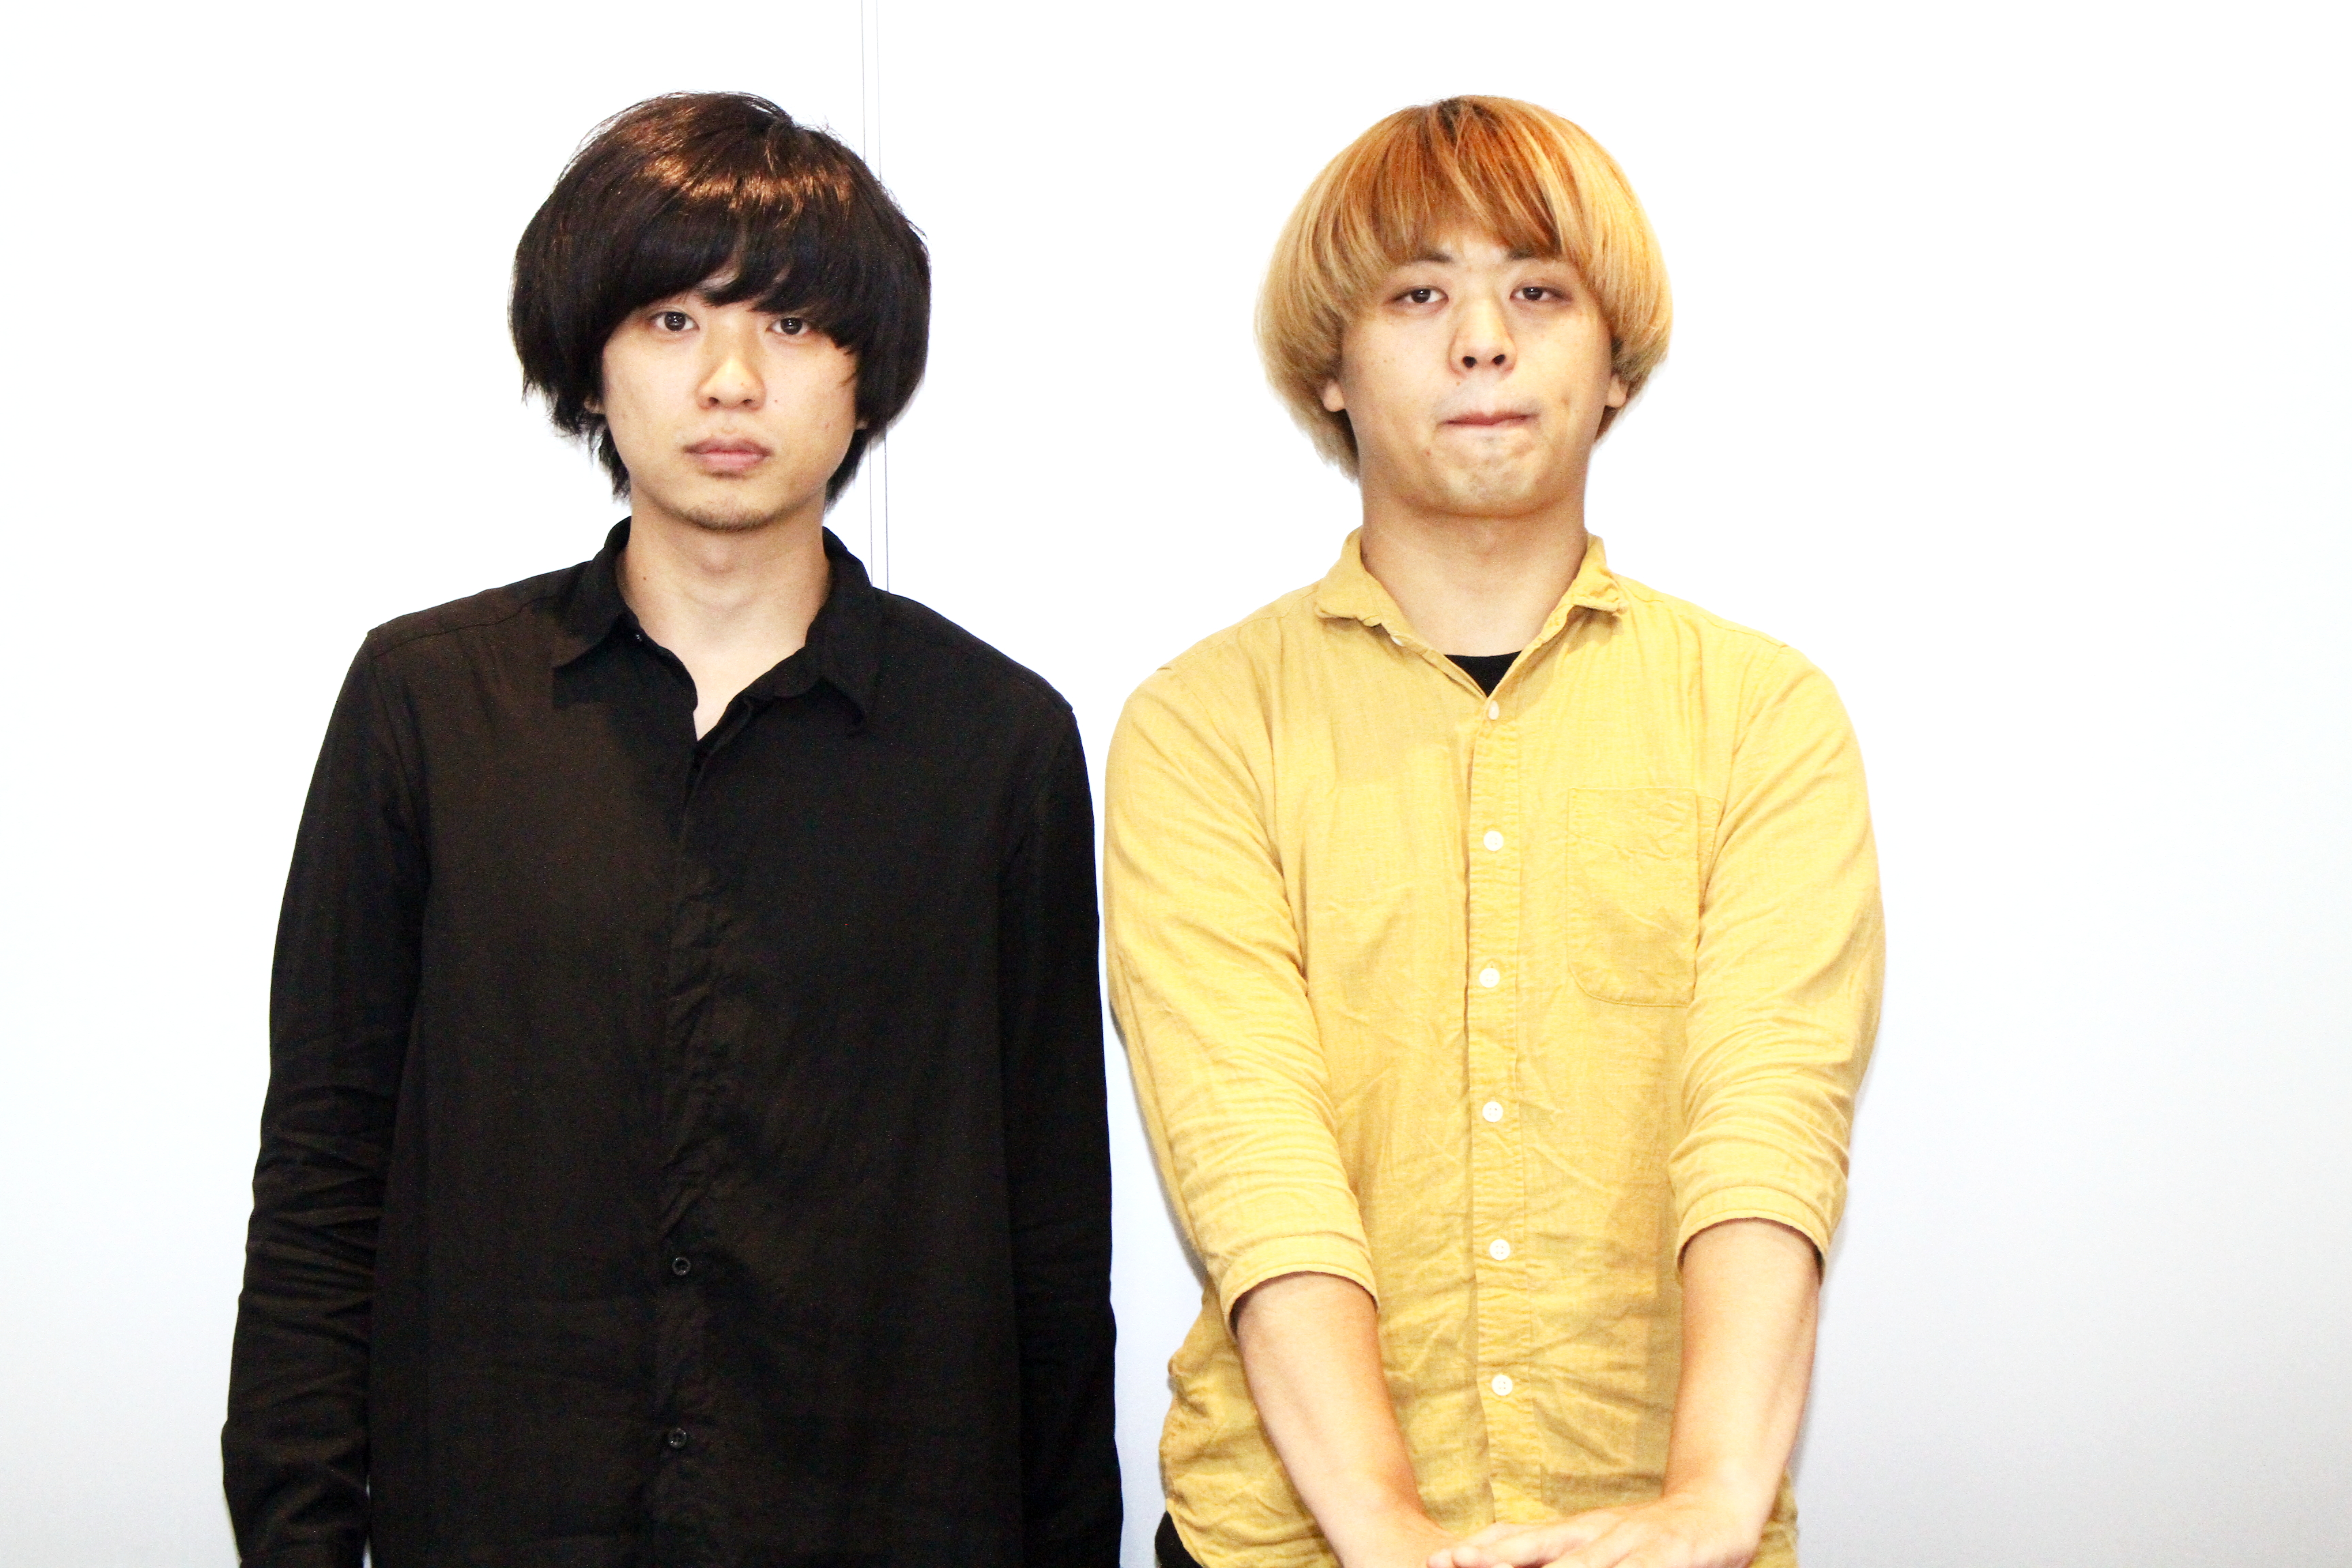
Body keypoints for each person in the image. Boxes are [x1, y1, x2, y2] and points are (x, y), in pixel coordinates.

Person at [223, 93, 1119, 1567]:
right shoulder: (428, 703)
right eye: (673, 320)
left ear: (867, 377)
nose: (731, 381)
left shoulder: (996, 743)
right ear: (591, 363)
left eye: (791, 324)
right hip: (504, 1518)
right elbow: (323, 1171)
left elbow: (1052, 1238)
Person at [1106, 97, 1881, 1568]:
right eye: (1418, 295)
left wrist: (1710, 1504)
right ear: (1331, 366)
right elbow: (1250, 1151)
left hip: (1665, 1535)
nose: (1481, 342)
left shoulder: (1763, 715)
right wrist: (1388, 1533)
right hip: (1291, 1541)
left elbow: (1767, 1119)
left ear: (1617, 364)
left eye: (1538, 292)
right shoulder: (1204, 725)